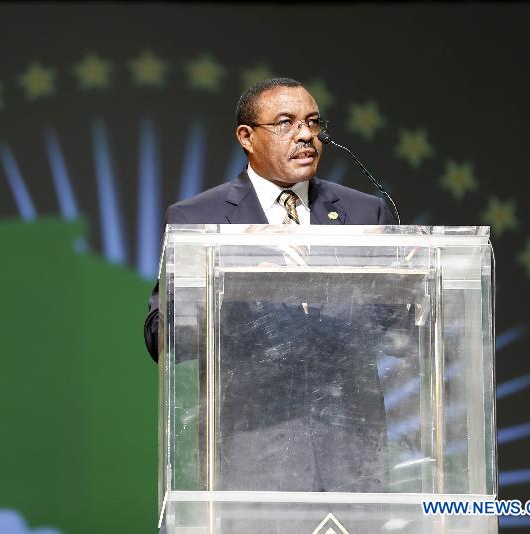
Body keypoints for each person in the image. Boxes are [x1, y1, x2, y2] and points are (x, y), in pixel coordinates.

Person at [145, 78, 402, 501]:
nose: (306, 135)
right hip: (251, 458)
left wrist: (382, 279)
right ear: (246, 137)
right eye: (285, 123)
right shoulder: (200, 218)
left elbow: (397, 329)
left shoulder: (362, 212)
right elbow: (162, 338)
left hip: (354, 458)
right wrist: (233, 289)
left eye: (313, 123)